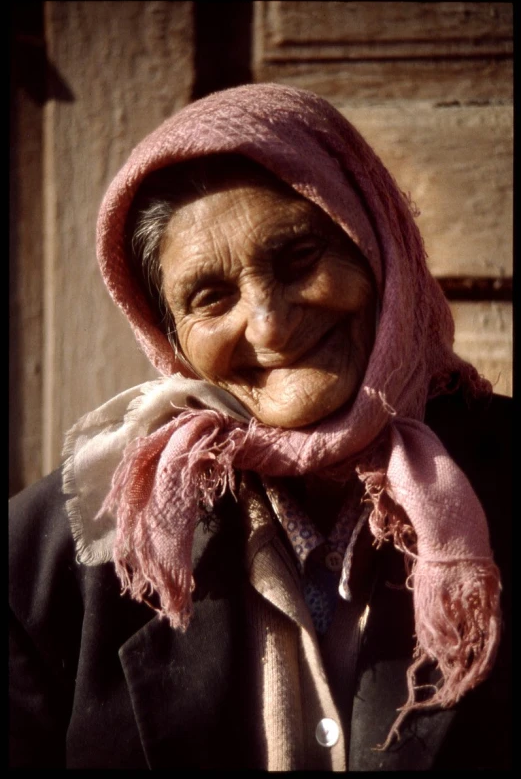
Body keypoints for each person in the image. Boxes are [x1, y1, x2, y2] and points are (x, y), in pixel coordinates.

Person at [9, 83, 511, 771]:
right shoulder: (51, 562)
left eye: (299, 257)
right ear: (171, 339)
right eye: (210, 298)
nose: (270, 324)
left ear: (376, 247)